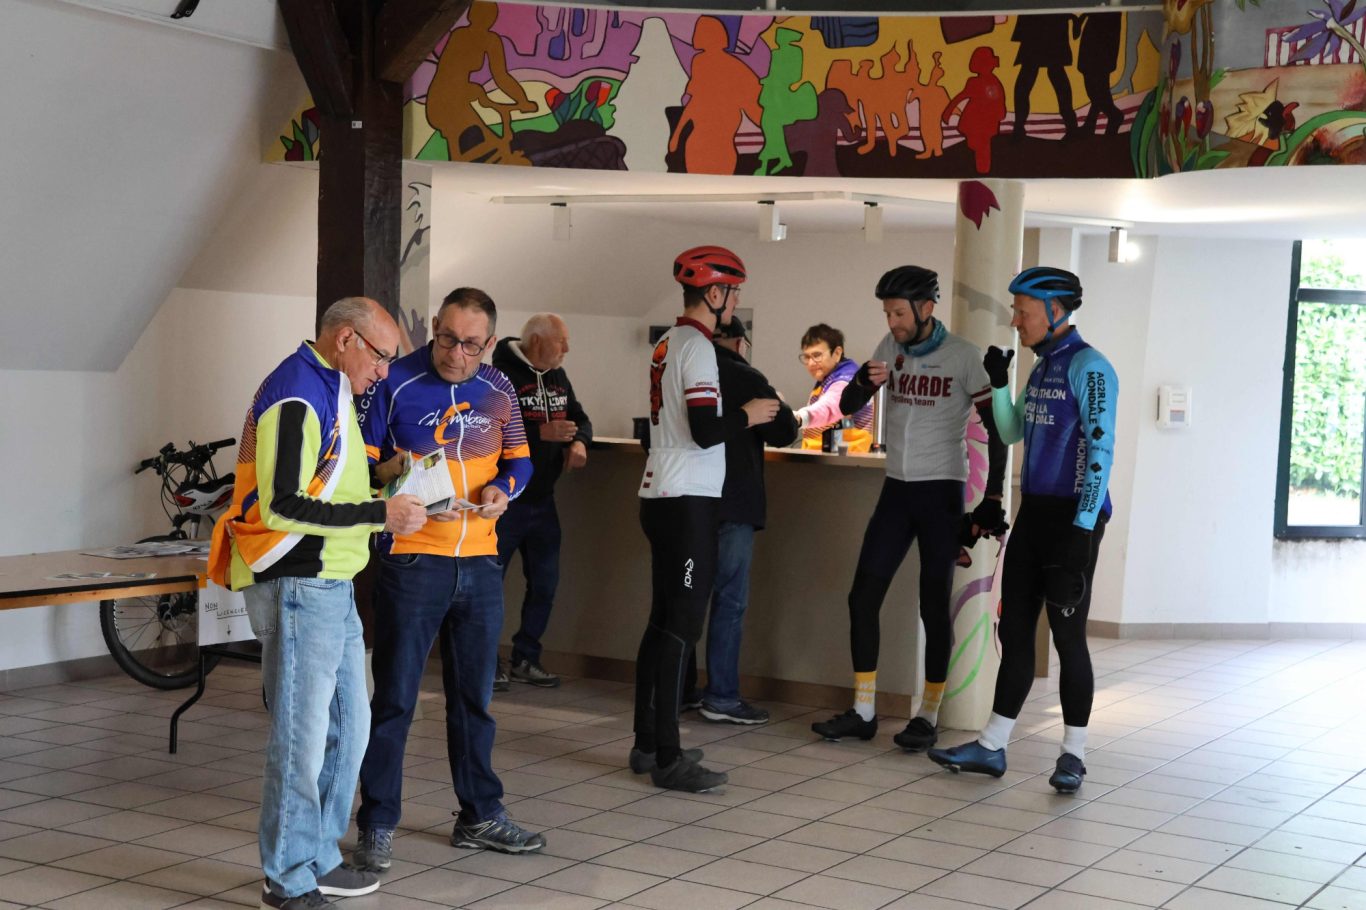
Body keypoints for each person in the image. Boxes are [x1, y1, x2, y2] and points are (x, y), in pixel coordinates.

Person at [207, 297, 428, 910]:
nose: (384, 372)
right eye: (381, 357)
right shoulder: (298, 393)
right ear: (347, 339)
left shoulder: (329, 385)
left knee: (349, 731)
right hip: (299, 583)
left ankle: (319, 856)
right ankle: (286, 877)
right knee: (301, 741)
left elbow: (328, 482)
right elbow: (282, 504)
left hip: (332, 581)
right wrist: (381, 512)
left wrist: (384, 474)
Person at [352, 287, 544, 873]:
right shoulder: (393, 380)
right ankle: (377, 823)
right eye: (446, 339)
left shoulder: (500, 388)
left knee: (474, 700)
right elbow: (361, 468)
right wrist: (396, 472)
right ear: (434, 327)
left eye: (470, 345)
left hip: (481, 560)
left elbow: (522, 461)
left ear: (490, 343)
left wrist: (503, 490)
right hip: (413, 560)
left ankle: (479, 815)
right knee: (395, 699)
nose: (456, 354)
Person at [929, 267, 1117, 794]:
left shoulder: (1090, 367)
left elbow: (1101, 450)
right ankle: (992, 747)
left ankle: (1074, 755)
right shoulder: (1041, 368)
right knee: (1013, 633)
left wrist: (1083, 529)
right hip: (1035, 513)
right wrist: (999, 383)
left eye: (1022, 311)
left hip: (1074, 519)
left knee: (1068, 638)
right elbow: (1011, 432)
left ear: (1055, 311)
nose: (1015, 321)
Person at [809, 267, 1007, 752]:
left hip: (941, 493)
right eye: (888, 313)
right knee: (862, 597)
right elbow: (850, 404)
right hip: (896, 490)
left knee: (932, 606)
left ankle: (928, 716)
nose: (892, 322)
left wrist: (993, 496)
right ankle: (863, 712)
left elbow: (998, 429)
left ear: (926, 308)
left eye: (899, 313)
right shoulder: (888, 347)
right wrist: (862, 382)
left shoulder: (963, 356)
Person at [633, 245, 779, 792]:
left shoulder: (668, 342)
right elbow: (704, 431)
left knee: (661, 624)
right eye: (733, 293)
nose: (735, 302)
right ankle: (669, 759)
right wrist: (750, 414)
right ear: (714, 293)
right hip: (687, 501)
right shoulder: (697, 347)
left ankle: (648, 743)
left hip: (662, 493)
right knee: (681, 628)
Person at [681, 316, 799, 724]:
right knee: (729, 601)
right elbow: (785, 431)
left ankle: (679, 689)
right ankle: (722, 696)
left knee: (685, 598)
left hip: (688, 501)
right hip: (734, 503)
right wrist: (777, 402)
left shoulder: (679, 366)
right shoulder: (744, 375)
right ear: (740, 343)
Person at [490, 314, 592, 690]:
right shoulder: (500, 376)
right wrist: (539, 433)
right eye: (560, 341)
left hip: (543, 500)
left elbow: (580, 418)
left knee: (545, 583)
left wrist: (580, 442)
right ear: (536, 341)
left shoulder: (558, 377)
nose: (566, 349)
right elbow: (490, 431)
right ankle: (486, 662)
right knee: (489, 585)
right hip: (506, 499)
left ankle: (526, 657)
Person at [795, 324, 874, 453]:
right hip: (828, 457)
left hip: (846, 460)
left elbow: (830, 407)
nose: (811, 363)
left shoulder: (847, 379)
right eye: (807, 357)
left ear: (837, 353)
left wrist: (798, 418)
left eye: (817, 355)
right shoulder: (827, 377)